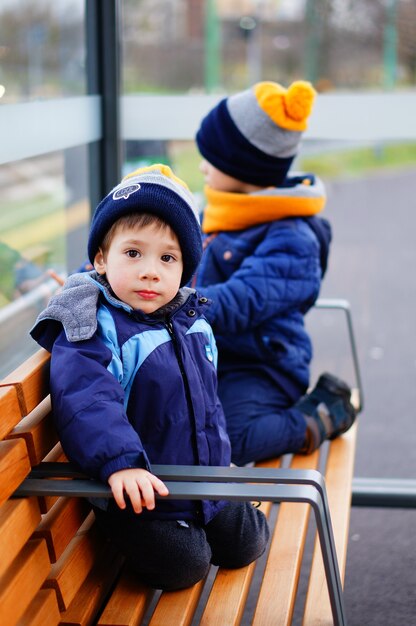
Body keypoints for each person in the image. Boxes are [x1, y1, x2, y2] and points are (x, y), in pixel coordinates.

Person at [30, 164, 269, 591]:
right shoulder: (92, 326)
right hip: (138, 490)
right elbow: (87, 399)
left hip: (199, 479)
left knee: (247, 542)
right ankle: (162, 535)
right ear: (102, 259)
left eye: (167, 258)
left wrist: (220, 461)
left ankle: (208, 519)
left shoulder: (192, 321)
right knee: (186, 565)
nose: (150, 271)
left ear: (185, 269)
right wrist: (120, 463)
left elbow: (207, 407)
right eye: (133, 253)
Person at [193, 80, 357, 466]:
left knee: (233, 438)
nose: (202, 166)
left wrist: (175, 303)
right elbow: (163, 253)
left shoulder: (294, 239)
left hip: (262, 366)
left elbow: (240, 301)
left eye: (210, 158)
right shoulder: (222, 214)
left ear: (241, 166)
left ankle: (319, 415)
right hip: (214, 354)